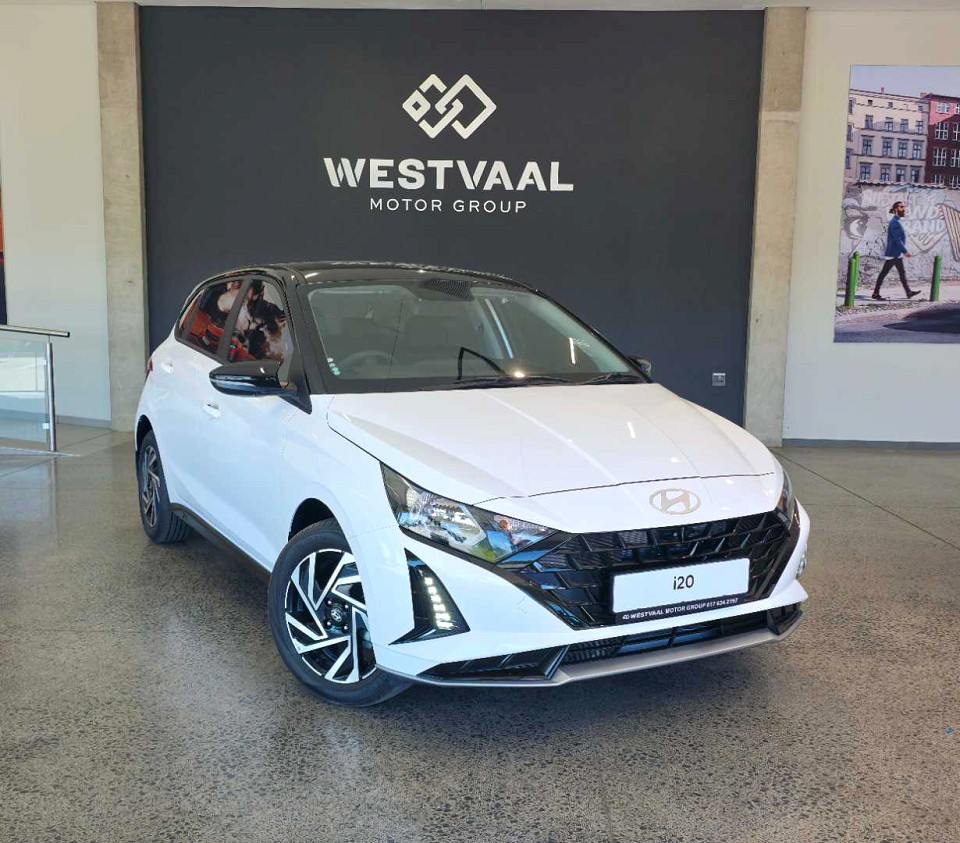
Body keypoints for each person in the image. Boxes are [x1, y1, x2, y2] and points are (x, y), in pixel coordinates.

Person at [872, 201, 921, 300]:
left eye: (904, 207)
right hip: (893, 253)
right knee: (884, 273)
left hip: (896, 253)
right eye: (901, 207)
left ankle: (908, 292)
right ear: (895, 209)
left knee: (901, 273)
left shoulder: (897, 221)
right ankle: (876, 293)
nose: (904, 209)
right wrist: (905, 251)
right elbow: (897, 239)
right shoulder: (894, 222)